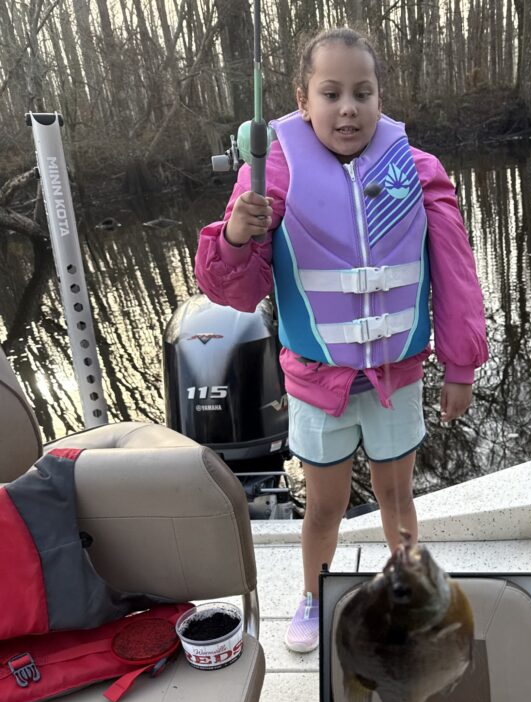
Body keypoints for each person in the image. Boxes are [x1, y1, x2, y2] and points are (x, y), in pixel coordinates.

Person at [195, 26, 487, 654]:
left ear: (380, 98)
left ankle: (410, 591)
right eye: (331, 94)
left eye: (362, 93)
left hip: (396, 377)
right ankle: (313, 593)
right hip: (315, 381)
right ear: (303, 101)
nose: (348, 108)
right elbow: (235, 291)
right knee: (324, 507)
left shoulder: (419, 171)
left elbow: (457, 275)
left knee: (397, 495)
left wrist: (460, 366)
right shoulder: (269, 174)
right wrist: (235, 237)